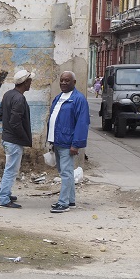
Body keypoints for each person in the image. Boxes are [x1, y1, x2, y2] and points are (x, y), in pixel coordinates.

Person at [47, 71, 90, 213]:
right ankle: (70, 201)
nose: (64, 83)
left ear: (74, 83)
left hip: (67, 142)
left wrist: (76, 144)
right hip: (57, 141)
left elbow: (82, 123)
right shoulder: (59, 97)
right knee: (65, 172)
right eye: (62, 80)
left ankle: (63, 203)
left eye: (67, 81)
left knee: (65, 173)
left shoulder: (78, 99)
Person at [0, 69, 34, 208]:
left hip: (7, 138)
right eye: (29, 81)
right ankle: (4, 198)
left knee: (9, 168)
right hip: (13, 140)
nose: (31, 83)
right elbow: (15, 122)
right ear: (24, 82)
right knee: (11, 170)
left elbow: (1, 115)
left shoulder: (8, 94)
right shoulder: (19, 98)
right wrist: (24, 137)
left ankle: (3, 192)